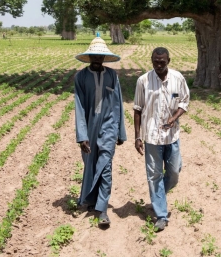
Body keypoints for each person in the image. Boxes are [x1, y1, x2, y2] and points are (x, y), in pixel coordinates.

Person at [133, 47, 190, 232]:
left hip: (172, 136)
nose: (159, 64)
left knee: (174, 172)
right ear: (151, 60)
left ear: (168, 60)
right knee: (154, 175)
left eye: (162, 61)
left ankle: (158, 196)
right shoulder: (143, 81)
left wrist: (174, 118)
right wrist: (137, 136)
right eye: (155, 61)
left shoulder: (178, 78)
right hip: (151, 137)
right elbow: (137, 109)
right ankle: (161, 215)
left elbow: (184, 101)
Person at [74, 34, 126, 227]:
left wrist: (120, 132)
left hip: (109, 126)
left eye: (100, 56)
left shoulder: (112, 76)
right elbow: (79, 107)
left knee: (105, 167)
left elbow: (118, 103)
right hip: (88, 127)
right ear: (89, 57)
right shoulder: (81, 77)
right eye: (94, 55)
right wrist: (82, 136)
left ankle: (102, 209)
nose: (97, 59)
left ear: (104, 58)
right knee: (91, 164)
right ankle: (91, 198)